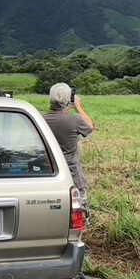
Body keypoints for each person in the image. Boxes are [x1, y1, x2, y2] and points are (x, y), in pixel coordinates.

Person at [42, 82, 95, 212]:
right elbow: (90, 127)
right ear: (68, 101)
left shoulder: (41, 119)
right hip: (72, 175)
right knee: (78, 212)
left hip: (47, 174)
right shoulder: (74, 120)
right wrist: (78, 107)